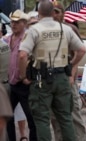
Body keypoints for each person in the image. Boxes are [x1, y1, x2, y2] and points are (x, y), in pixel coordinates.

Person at [18, 0, 86, 140]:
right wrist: (71, 64)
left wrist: (23, 75)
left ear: (39, 12)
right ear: (52, 12)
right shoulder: (65, 29)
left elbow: (23, 55)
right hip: (61, 77)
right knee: (66, 118)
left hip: (41, 78)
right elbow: (81, 50)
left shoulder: (34, 30)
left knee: (42, 119)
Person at [51, 2, 86, 141]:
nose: (54, 15)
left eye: (57, 12)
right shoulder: (47, 30)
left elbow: (78, 53)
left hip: (67, 77)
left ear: (62, 14)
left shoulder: (70, 29)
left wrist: (71, 74)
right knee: (55, 116)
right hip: (52, 80)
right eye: (52, 12)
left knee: (74, 114)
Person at [5, 9, 37, 141]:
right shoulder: (7, 39)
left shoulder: (27, 38)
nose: (13, 24)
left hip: (24, 84)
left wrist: (25, 77)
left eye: (17, 22)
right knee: (7, 116)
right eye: (12, 22)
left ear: (24, 23)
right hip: (11, 83)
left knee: (31, 118)